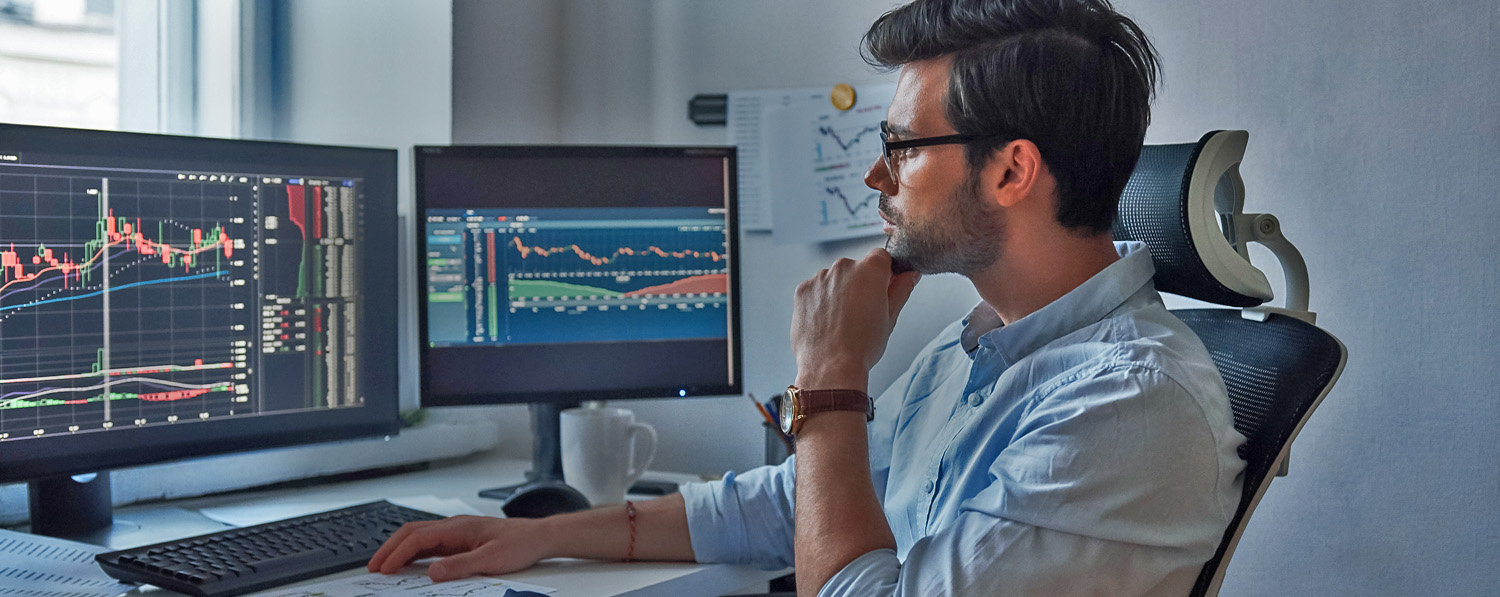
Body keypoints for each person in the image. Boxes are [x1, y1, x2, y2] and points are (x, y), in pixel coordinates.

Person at [369, 0, 1247, 594]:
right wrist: (542, 536)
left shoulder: (1129, 405)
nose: (876, 173)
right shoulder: (984, 344)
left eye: (902, 146)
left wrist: (831, 374)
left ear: (1013, 169)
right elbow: (793, 502)